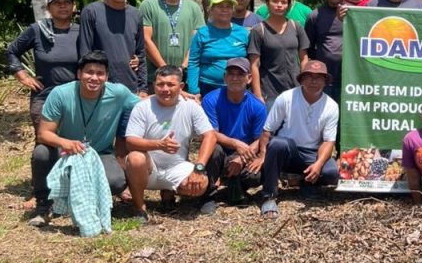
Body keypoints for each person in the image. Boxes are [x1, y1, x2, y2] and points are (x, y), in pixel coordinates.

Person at [29, 51, 140, 226]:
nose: (94, 78)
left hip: (100, 153)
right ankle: (43, 206)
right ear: (79, 74)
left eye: (100, 73)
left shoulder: (119, 93)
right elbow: (43, 133)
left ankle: (82, 200)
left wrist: (177, 96)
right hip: (65, 151)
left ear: (107, 76)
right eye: (89, 72)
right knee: (41, 153)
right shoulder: (60, 94)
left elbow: (146, 104)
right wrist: (65, 142)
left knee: (117, 182)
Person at [124, 65, 223, 222]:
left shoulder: (191, 107)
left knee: (201, 185)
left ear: (181, 86)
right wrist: (159, 145)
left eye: (171, 85)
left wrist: (199, 167)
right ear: (153, 85)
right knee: (135, 158)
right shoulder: (142, 107)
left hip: (176, 166)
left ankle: (169, 192)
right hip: (149, 168)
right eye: (160, 84)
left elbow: (210, 136)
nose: (165, 89)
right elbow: (130, 142)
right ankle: (139, 206)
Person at [255, 61, 340, 219]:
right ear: (301, 79)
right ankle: (269, 196)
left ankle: (306, 182)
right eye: (308, 77)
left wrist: (319, 164)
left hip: (311, 153)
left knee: (331, 172)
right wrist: (262, 156)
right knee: (278, 143)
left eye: (318, 77)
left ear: (325, 81)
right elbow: (268, 130)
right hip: (288, 150)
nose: (313, 81)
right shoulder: (286, 98)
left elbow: (328, 141)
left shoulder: (332, 106)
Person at [6, 0, 79, 136]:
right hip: (45, 97)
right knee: (45, 146)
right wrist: (23, 76)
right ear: (48, 7)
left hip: (76, 97)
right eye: (57, 3)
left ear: (74, 7)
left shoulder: (83, 31)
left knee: (74, 143)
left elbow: (101, 55)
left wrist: (134, 59)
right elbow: (11, 51)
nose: (63, 6)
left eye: (67, 2)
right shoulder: (37, 30)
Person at [202, 58, 268, 200]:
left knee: (256, 176)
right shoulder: (211, 100)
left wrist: (242, 158)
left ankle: (236, 185)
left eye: (240, 74)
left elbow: (260, 139)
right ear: (225, 77)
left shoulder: (258, 106)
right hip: (222, 152)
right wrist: (235, 144)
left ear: (249, 78)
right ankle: (209, 193)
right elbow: (210, 133)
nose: (235, 78)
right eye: (231, 74)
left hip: (245, 152)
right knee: (213, 148)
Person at [78, 0, 147, 96]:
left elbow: (140, 53)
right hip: (101, 86)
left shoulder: (135, 14)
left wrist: (142, 88)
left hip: (129, 87)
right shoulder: (91, 12)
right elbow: (85, 51)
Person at [139, 0, 205, 88]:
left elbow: (197, 42)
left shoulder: (193, 7)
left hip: (186, 78)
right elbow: (146, 40)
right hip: (156, 79)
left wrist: (183, 68)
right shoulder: (148, 5)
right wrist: (166, 71)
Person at [248, 0, 309, 108]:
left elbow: (304, 59)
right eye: (275, 1)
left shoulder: (296, 27)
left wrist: (305, 87)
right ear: (267, 3)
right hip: (269, 93)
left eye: (284, 2)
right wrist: (258, 94)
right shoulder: (259, 30)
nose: (279, 5)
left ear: (289, 5)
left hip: (295, 91)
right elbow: (254, 65)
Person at [186, 0, 250, 97]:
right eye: (220, 6)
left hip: (237, 88)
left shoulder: (243, 33)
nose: (224, 9)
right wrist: (194, 91)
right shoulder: (202, 33)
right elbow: (193, 62)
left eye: (228, 6)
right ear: (211, 10)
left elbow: (252, 61)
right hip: (207, 87)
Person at [305, 0, 347, 103]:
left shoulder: (354, 14)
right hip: (324, 81)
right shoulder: (315, 15)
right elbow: (308, 49)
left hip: (349, 80)